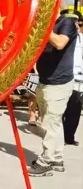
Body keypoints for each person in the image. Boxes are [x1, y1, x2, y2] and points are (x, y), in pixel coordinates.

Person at [29, 9, 79, 176]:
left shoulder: (66, 23)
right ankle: (57, 158)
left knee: (50, 123)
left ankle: (46, 161)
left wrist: (43, 28)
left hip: (59, 83)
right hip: (46, 81)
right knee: (53, 122)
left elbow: (59, 43)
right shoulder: (51, 24)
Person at [63, 15, 83, 146]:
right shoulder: (65, 37)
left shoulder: (81, 39)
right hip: (65, 77)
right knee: (62, 109)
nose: (78, 28)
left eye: (80, 25)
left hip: (79, 77)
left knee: (75, 110)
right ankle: (61, 136)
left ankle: (69, 136)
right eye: (76, 25)